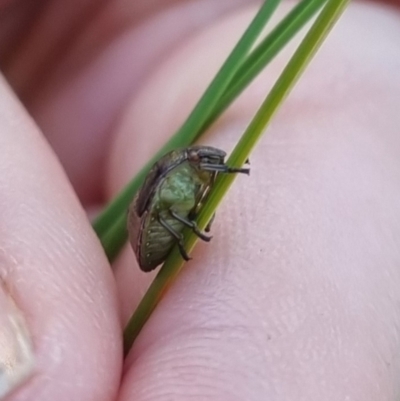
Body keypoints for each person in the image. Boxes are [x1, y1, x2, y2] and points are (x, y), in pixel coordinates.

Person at [0, 0, 399, 399]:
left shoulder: (189, 171)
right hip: (154, 230)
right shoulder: (179, 172)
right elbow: (160, 207)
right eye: (207, 166)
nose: (213, 170)